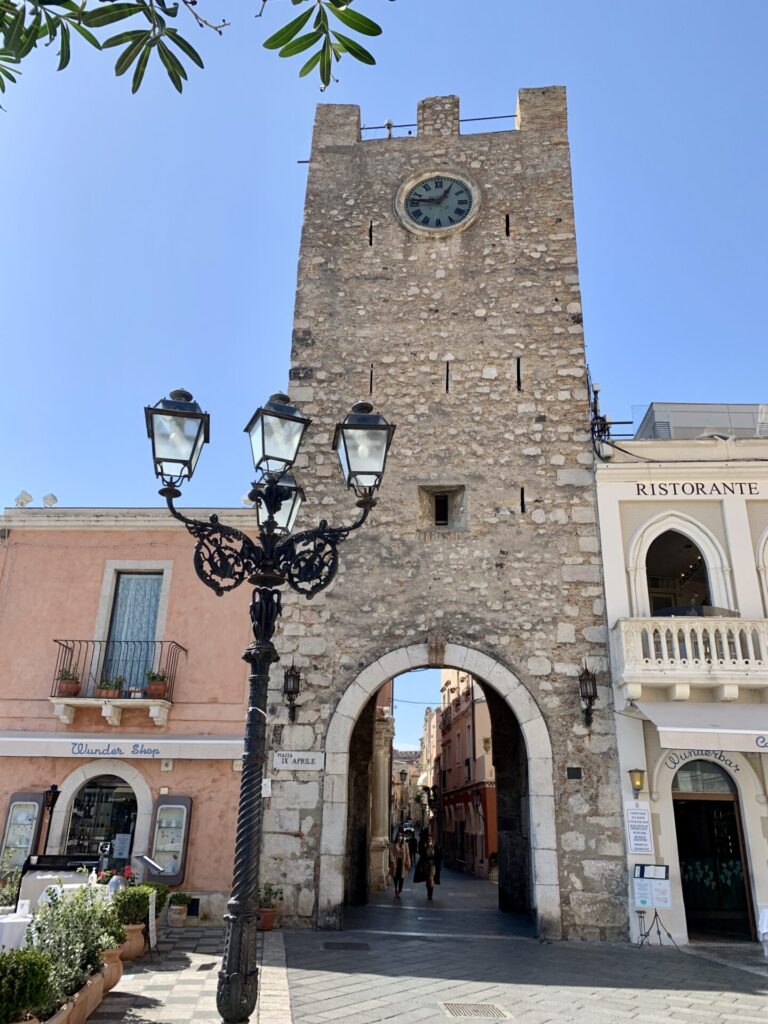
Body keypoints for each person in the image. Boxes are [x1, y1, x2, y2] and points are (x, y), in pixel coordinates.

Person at [413, 834, 441, 900]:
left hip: (433, 865)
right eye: (428, 839)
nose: (429, 840)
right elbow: (422, 855)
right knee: (427, 880)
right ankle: (428, 892)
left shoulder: (435, 847)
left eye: (430, 839)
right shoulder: (424, 847)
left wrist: (437, 863)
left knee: (431, 879)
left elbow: (438, 856)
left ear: (432, 839)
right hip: (426, 865)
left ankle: (430, 894)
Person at [388, 831, 411, 898]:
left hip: (402, 863)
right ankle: (395, 888)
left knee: (401, 877)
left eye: (401, 835)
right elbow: (391, 853)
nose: (399, 837)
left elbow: (407, 854)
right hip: (396, 862)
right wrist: (392, 861)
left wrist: (408, 861)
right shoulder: (394, 844)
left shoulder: (405, 844)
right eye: (398, 835)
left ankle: (399, 890)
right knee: (395, 877)